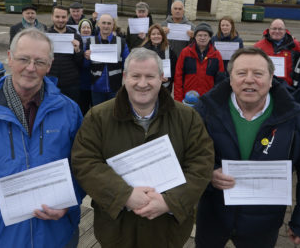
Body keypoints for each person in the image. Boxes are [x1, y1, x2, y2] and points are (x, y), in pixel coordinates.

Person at [0, 28, 84, 248]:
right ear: (10, 59)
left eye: (39, 62)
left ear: (49, 66)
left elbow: (83, 167)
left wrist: (70, 203)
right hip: (3, 238)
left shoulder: (69, 111)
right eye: (24, 59)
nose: (31, 68)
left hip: (58, 236)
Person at [72, 48, 214, 248]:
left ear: (162, 78)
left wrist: (169, 202)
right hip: (116, 230)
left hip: (168, 230)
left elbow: (202, 164)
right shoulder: (98, 117)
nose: (142, 83)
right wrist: (124, 195)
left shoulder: (187, 118)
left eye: (150, 76)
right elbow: (84, 162)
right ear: (124, 77)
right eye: (135, 76)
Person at [194, 47, 300, 248]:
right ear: (230, 78)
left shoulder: (297, 117)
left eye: (258, 73)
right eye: (241, 73)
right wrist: (209, 173)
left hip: (263, 223)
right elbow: (188, 155)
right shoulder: (205, 110)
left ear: (271, 77)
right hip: (214, 216)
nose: (249, 80)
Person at [84, 14, 129, 106]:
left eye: (109, 23)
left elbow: (128, 64)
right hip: (96, 87)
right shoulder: (90, 42)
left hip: (115, 87)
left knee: (114, 115)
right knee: (97, 116)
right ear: (98, 24)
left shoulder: (121, 42)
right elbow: (85, 66)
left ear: (113, 25)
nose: (106, 26)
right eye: (103, 23)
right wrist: (86, 57)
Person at [174, 23, 224, 102]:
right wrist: (178, 99)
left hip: (208, 99)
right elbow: (178, 76)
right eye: (199, 35)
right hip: (188, 98)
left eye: (205, 35)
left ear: (210, 37)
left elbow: (220, 80)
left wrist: (216, 99)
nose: (202, 38)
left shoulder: (216, 55)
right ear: (195, 37)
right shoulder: (185, 52)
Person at [254, 18, 300, 86]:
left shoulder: (294, 44)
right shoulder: (258, 46)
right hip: (265, 85)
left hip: (287, 87)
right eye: (274, 28)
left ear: (285, 31)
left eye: (280, 29)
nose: (277, 31)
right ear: (269, 30)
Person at [47, 6, 83, 104]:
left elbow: (80, 63)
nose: (60, 20)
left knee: (71, 113)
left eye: (63, 17)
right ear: (52, 17)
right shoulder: (45, 37)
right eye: (57, 17)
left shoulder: (76, 37)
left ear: (67, 18)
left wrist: (78, 50)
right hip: (50, 83)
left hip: (71, 84)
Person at [141, 23, 177, 92]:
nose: (156, 36)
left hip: (165, 88)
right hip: (147, 87)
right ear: (149, 36)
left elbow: (174, 67)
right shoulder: (143, 50)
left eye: (159, 34)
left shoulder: (169, 50)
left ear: (163, 36)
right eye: (153, 34)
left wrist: (169, 78)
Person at [78, 18, 94, 115]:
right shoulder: (75, 42)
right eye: (83, 27)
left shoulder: (96, 41)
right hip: (80, 81)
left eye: (88, 27)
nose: (86, 29)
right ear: (80, 30)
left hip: (92, 80)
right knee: (82, 107)